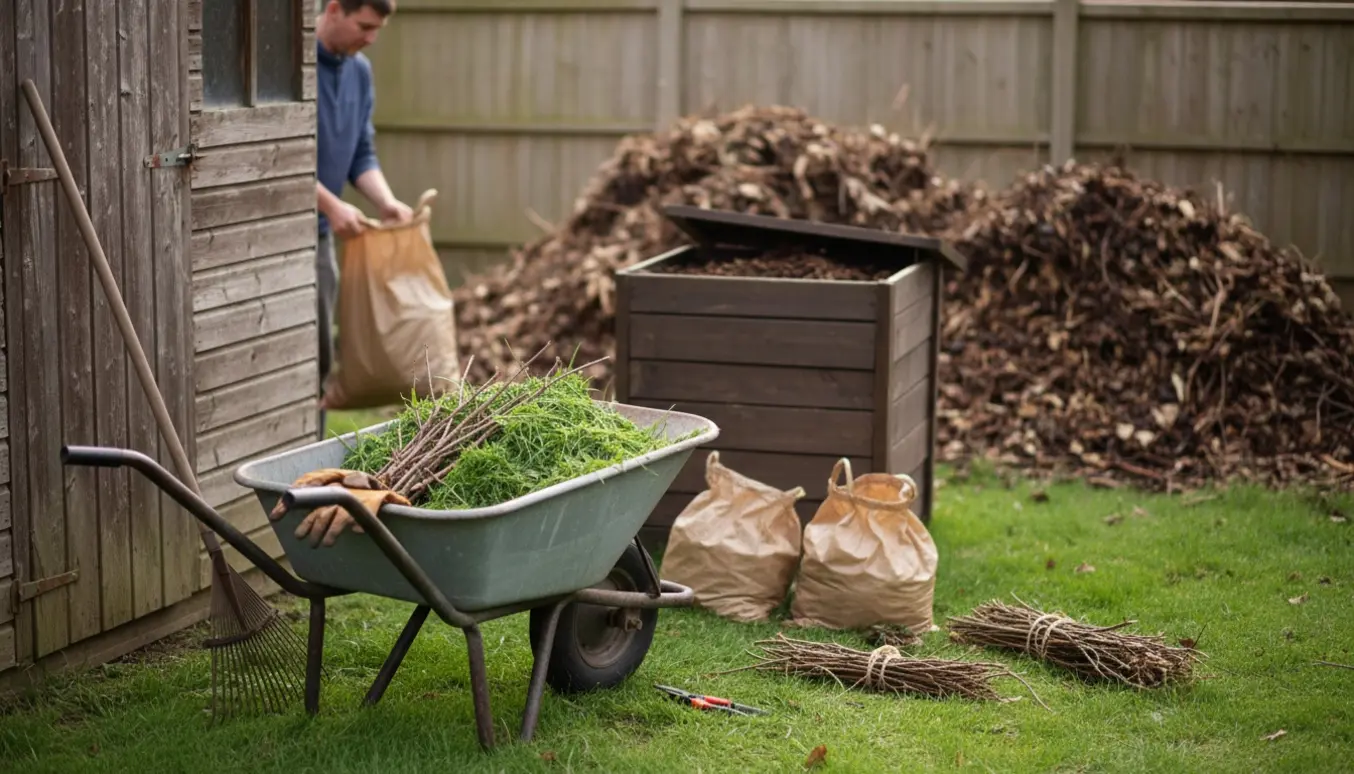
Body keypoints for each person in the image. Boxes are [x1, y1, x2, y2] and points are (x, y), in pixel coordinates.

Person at [313, 0, 412, 435]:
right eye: (364, 26)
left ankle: (307, 457)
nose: (370, 38)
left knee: (317, 355)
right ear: (334, 9)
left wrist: (386, 202)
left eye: (377, 30)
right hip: (275, 236)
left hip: (317, 238)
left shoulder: (359, 72)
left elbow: (360, 155)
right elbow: (275, 160)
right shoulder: (296, 69)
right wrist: (332, 205)